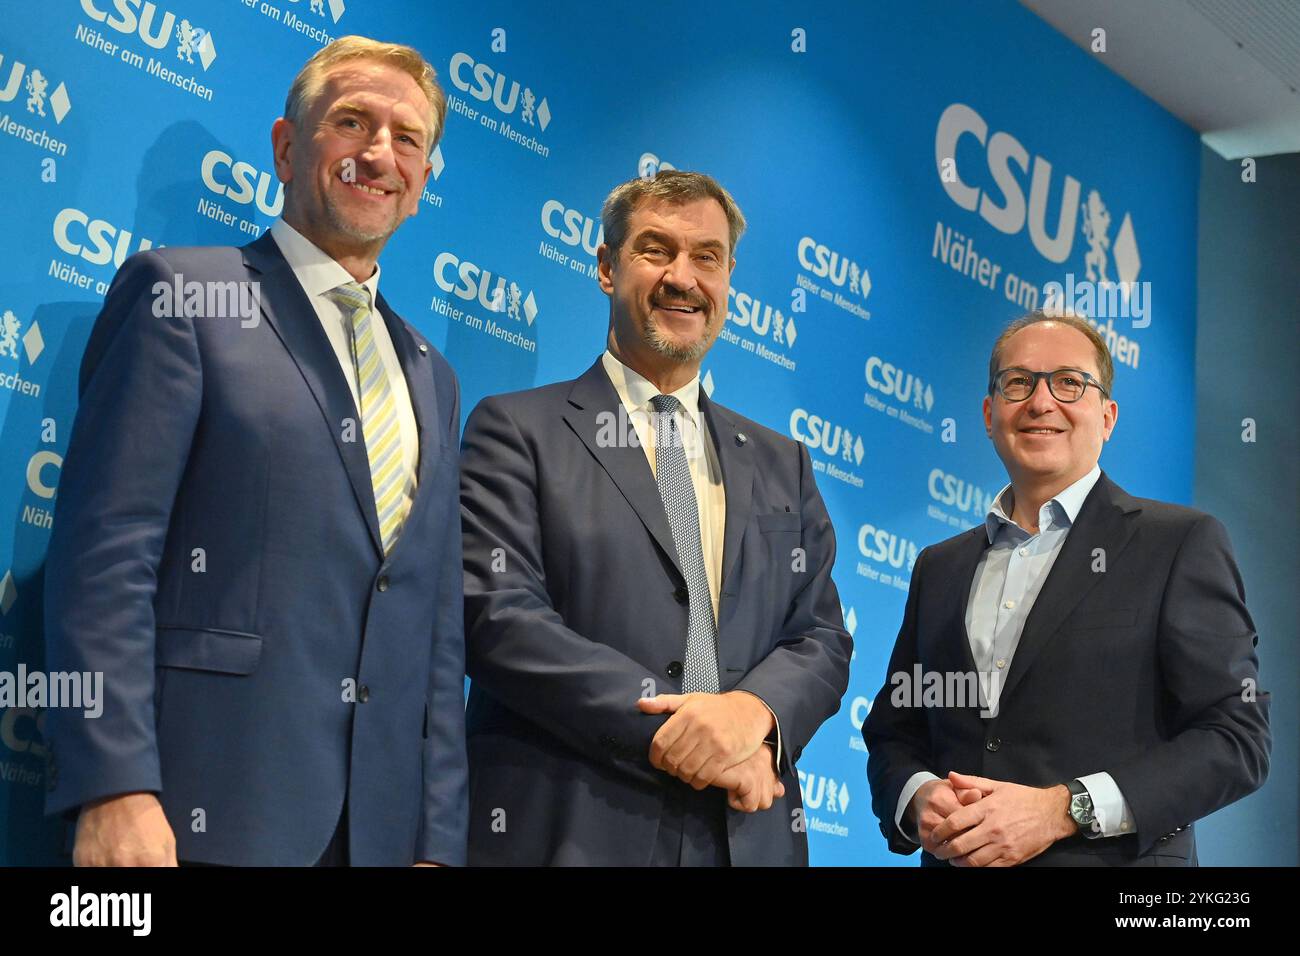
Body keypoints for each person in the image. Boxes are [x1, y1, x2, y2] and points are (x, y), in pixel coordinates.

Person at [43, 36, 467, 866]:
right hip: (196, 813)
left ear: (422, 183)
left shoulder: (433, 377)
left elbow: (435, 632)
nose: (379, 153)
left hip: (377, 838)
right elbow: (106, 556)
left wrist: (436, 840)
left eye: (408, 138)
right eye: (352, 122)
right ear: (285, 146)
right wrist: (114, 783)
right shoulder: (185, 296)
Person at [459, 170, 852, 865]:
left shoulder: (783, 462)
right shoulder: (517, 430)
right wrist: (682, 732)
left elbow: (819, 637)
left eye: (707, 257)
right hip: (572, 825)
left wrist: (750, 717)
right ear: (607, 268)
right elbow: (500, 619)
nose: (683, 278)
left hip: (744, 833)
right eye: (655, 250)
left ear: (728, 279)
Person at [863, 311, 1270, 866]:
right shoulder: (940, 567)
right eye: (1018, 382)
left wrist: (1064, 809)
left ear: (1107, 417)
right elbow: (896, 729)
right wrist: (918, 796)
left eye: (1069, 383)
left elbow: (1234, 738)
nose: (1040, 401)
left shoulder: (1178, 544)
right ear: (989, 414)